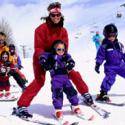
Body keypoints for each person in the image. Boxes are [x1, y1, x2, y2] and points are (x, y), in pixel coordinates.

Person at [12, 2, 93, 118]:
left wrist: (67, 60)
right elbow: (38, 47)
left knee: (72, 73)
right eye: (53, 15)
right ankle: (22, 106)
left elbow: (64, 49)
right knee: (39, 81)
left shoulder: (63, 31)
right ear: (49, 15)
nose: (56, 17)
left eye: (58, 15)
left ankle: (85, 93)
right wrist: (44, 59)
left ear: (61, 15)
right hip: (41, 58)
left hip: (58, 57)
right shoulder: (40, 29)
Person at [40, 40, 81, 119]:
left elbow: (70, 59)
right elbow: (42, 56)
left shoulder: (65, 56)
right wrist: (45, 63)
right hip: (56, 79)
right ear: (54, 49)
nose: (61, 51)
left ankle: (75, 106)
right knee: (57, 93)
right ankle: (58, 110)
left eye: (63, 49)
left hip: (65, 78)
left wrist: (71, 64)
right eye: (59, 49)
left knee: (71, 91)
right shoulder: (50, 56)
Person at [95, 23, 125, 102]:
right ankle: (103, 93)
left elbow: (123, 54)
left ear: (116, 35)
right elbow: (100, 56)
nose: (111, 37)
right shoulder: (104, 46)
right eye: (109, 36)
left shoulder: (119, 45)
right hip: (110, 67)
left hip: (121, 65)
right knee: (110, 79)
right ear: (105, 35)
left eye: (113, 35)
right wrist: (98, 64)